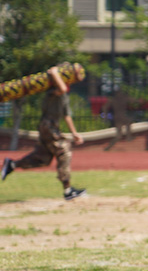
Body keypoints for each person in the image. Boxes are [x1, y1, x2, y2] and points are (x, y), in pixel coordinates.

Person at [1, 66, 86, 200]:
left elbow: (67, 115)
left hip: (51, 126)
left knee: (43, 159)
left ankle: (11, 165)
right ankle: (68, 190)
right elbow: (61, 88)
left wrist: (74, 133)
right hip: (48, 125)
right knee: (64, 150)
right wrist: (54, 72)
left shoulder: (64, 93)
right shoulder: (53, 90)